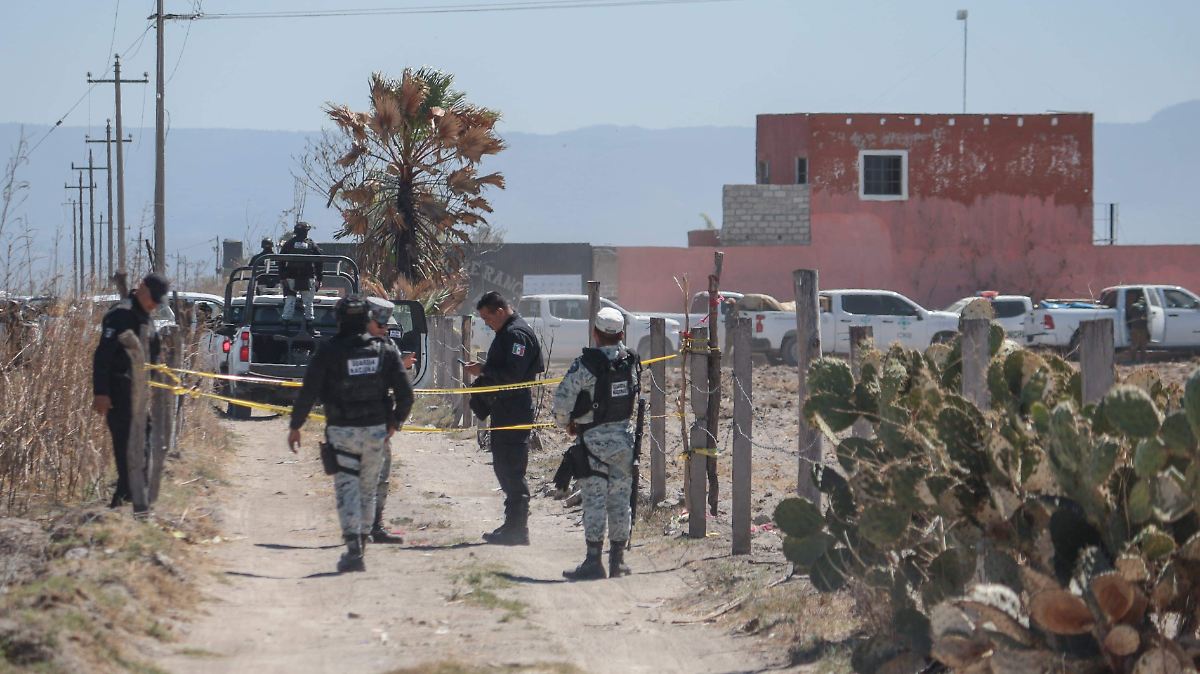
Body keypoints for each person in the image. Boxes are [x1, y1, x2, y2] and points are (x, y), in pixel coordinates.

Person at [288, 295, 414, 573]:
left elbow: (308, 392)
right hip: (375, 433)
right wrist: (394, 423)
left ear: (339, 319)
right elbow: (406, 394)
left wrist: (295, 426)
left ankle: (354, 551)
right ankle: (362, 544)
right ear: (367, 318)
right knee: (367, 491)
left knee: (347, 489)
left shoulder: (328, 352)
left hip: (342, 432)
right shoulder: (385, 350)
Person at [551, 307, 639, 580]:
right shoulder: (630, 361)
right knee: (620, 501)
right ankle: (618, 561)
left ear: (595, 333)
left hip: (592, 444)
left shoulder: (586, 364)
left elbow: (562, 401)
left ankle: (593, 561)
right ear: (622, 334)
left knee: (595, 501)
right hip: (624, 441)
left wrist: (566, 424)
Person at [464, 292, 543, 545]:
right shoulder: (507, 332)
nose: (487, 323)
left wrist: (483, 369)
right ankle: (512, 524)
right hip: (504, 409)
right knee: (502, 466)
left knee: (511, 468)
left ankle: (518, 529)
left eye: (488, 318)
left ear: (499, 311)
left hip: (514, 410)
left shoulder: (516, 334)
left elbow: (513, 373)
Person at [92, 273, 169, 509]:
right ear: (141, 288)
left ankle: (128, 497)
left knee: (143, 444)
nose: (154, 304)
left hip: (139, 393)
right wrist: (101, 392)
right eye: (152, 298)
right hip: (118, 391)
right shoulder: (120, 315)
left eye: (158, 301)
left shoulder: (147, 317)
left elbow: (154, 354)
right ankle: (125, 499)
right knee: (127, 446)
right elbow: (102, 356)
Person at [363, 297, 418, 544]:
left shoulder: (388, 346)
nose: (384, 329)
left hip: (376, 423)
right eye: (381, 324)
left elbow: (401, 386)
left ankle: (374, 525)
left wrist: (395, 422)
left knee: (380, 477)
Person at [279, 222, 323, 325]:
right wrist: (319, 279)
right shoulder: (311, 244)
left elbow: (280, 261)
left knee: (290, 301)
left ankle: (285, 324)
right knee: (308, 303)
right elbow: (319, 262)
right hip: (307, 278)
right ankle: (309, 324)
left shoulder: (289, 243)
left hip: (291, 277)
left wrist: (282, 277)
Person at [1126, 291, 1150, 364]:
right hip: (1143, 328)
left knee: (1134, 345)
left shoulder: (1133, 306)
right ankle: (1143, 360)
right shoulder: (1147, 307)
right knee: (1143, 346)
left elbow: (1128, 315)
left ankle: (1133, 360)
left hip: (1135, 327)